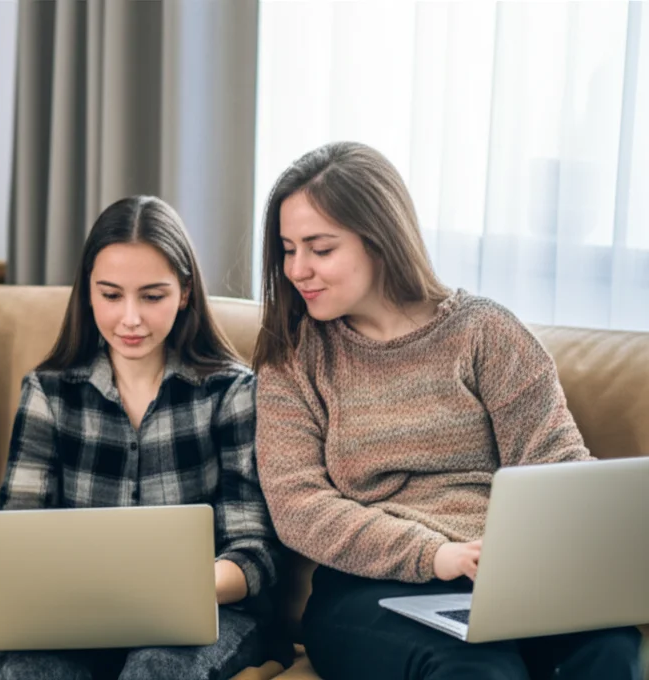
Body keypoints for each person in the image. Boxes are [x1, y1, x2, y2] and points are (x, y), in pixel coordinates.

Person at [253, 141, 643, 679]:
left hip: (505, 574)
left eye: (320, 249)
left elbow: (555, 463)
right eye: (288, 248)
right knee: (478, 670)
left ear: (381, 239)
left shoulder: (485, 332)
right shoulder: (295, 358)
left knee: (609, 649)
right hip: (370, 587)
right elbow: (300, 506)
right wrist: (434, 554)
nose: (298, 269)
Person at [0, 195, 283, 680]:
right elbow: (15, 539)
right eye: (110, 295)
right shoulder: (49, 392)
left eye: (152, 296)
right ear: (87, 292)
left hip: (201, 616)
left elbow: (254, 551)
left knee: (154, 670)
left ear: (184, 293)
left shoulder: (230, 393)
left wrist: (170, 589)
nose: (130, 318)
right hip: (72, 618)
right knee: (30, 669)